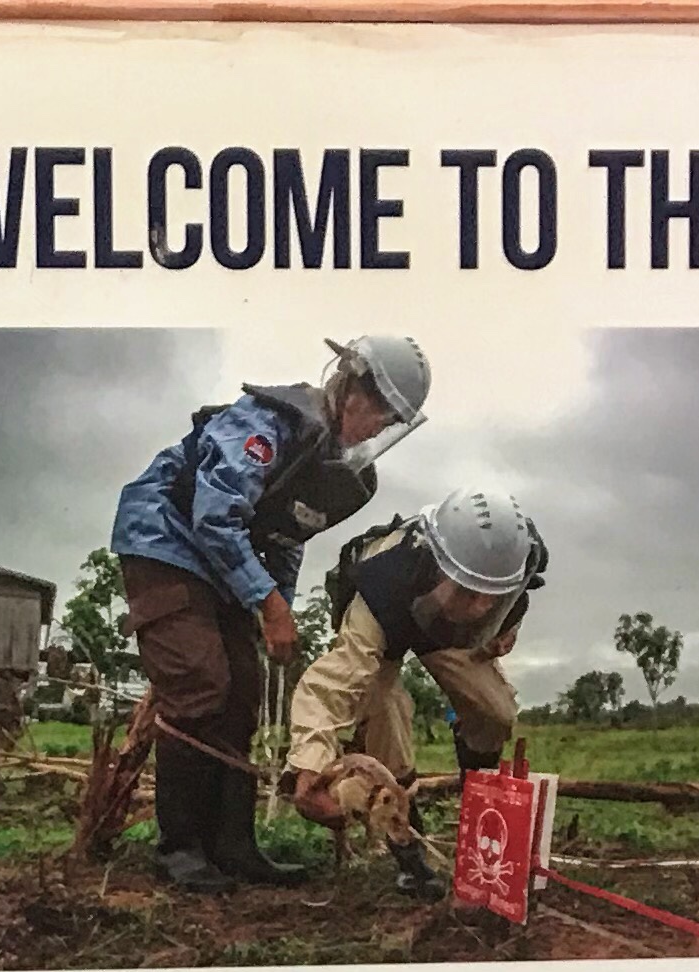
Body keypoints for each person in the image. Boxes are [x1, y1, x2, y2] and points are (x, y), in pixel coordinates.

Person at [109, 334, 431, 894]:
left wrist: (274, 601)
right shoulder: (265, 424)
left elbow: (286, 536)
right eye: (379, 408)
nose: (380, 426)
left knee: (243, 692)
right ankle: (179, 847)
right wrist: (270, 604)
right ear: (350, 384)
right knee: (199, 680)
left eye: (393, 420)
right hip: (165, 539)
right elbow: (214, 515)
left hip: (220, 565)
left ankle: (233, 846)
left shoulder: (333, 466)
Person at [287, 489, 544, 897]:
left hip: (451, 634)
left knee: (494, 713)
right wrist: (310, 765)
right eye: (467, 590)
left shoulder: (523, 555)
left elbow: (517, 598)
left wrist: (506, 626)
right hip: (394, 618)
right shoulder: (382, 581)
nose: (479, 607)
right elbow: (331, 685)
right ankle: (411, 857)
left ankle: (480, 812)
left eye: (490, 596)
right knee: (385, 715)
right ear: (436, 565)